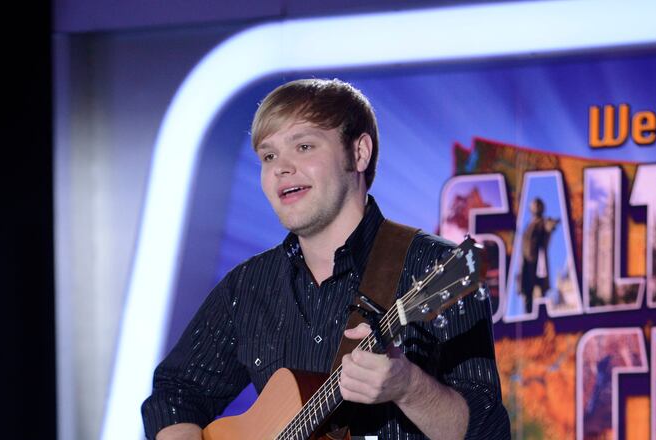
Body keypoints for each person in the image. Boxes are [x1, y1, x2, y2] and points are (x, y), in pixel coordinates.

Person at [141, 78, 510, 439]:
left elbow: (489, 431)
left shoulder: (435, 267)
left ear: (359, 152)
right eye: (269, 156)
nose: (280, 167)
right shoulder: (249, 285)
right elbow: (176, 393)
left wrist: (408, 387)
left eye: (303, 147)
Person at [519, 197, 559, 314]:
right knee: (527, 291)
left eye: (538, 205)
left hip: (537, 263)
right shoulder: (529, 225)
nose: (536, 207)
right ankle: (528, 316)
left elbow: (549, 226)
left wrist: (551, 225)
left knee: (539, 291)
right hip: (526, 262)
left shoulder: (543, 222)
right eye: (534, 205)